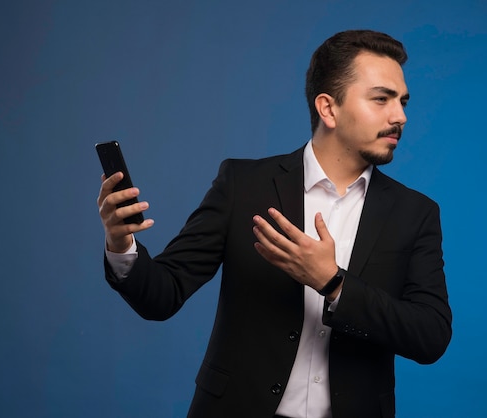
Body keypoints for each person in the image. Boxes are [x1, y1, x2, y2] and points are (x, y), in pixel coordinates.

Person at [97, 29, 452, 418]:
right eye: (381, 99)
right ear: (328, 109)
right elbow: (162, 295)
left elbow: (430, 336)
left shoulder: (414, 212)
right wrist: (121, 244)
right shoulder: (243, 185)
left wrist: (333, 283)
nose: (399, 116)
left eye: (402, 101)